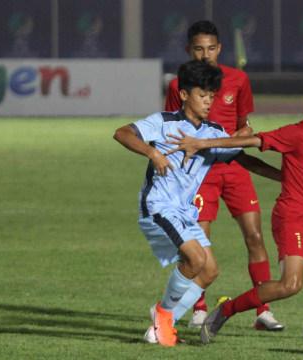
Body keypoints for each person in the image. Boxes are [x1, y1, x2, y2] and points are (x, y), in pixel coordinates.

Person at [165, 82, 303, 345]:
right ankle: (225, 310)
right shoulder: (295, 133)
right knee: (291, 285)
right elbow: (253, 141)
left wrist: (282, 174)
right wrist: (201, 143)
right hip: (292, 218)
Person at [113, 59, 280, 346]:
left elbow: (245, 160)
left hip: (183, 211)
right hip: (159, 206)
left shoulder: (213, 133)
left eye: (212, 96)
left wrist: (284, 176)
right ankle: (164, 317)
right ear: (184, 94)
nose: (208, 101)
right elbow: (122, 133)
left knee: (210, 270)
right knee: (197, 259)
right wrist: (153, 154)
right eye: (203, 95)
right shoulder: (163, 122)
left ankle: (160, 325)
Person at [164, 20, 284, 331]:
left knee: (255, 236)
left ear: (219, 48)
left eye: (211, 48)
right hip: (199, 175)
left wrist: (242, 133)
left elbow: (245, 125)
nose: (205, 55)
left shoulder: (238, 80)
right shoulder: (178, 85)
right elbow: (172, 130)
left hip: (235, 168)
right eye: (198, 49)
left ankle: (263, 311)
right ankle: (199, 309)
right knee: (198, 245)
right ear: (189, 50)